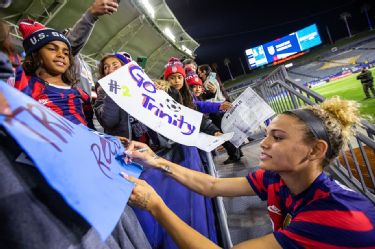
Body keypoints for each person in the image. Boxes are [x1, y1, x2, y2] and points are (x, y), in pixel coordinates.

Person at [123, 96, 375, 249]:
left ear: (314, 151)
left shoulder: (338, 216)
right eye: (266, 135)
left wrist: (156, 206)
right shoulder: (277, 177)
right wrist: (155, 160)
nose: (263, 144)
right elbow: (211, 186)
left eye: (277, 138)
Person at [133, 57, 219, 249]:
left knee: (196, 194)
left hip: (189, 152)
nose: (176, 81)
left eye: (179, 77)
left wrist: (213, 130)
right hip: (172, 153)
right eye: (171, 78)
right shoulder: (164, 94)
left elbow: (195, 115)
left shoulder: (187, 98)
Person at [13, 18, 94, 127]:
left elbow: (91, 130)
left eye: (66, 53)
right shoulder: (24, 84)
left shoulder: (82, 94)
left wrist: (108, 140)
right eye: (52, 49)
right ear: (35, 54)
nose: (61, 55)